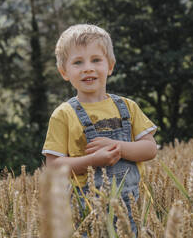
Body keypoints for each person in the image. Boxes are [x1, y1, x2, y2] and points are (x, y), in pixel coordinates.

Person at [42, 24, 157, 234]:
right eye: (78, 62)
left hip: (131, 210)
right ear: (64, 72)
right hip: (86, 214)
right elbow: (54, 167)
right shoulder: (63, 115)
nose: (88, 68)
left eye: (96, 60)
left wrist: (118, 147)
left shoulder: (128, 107)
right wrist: (93, 161)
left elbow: (150, 149)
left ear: (110, 66)